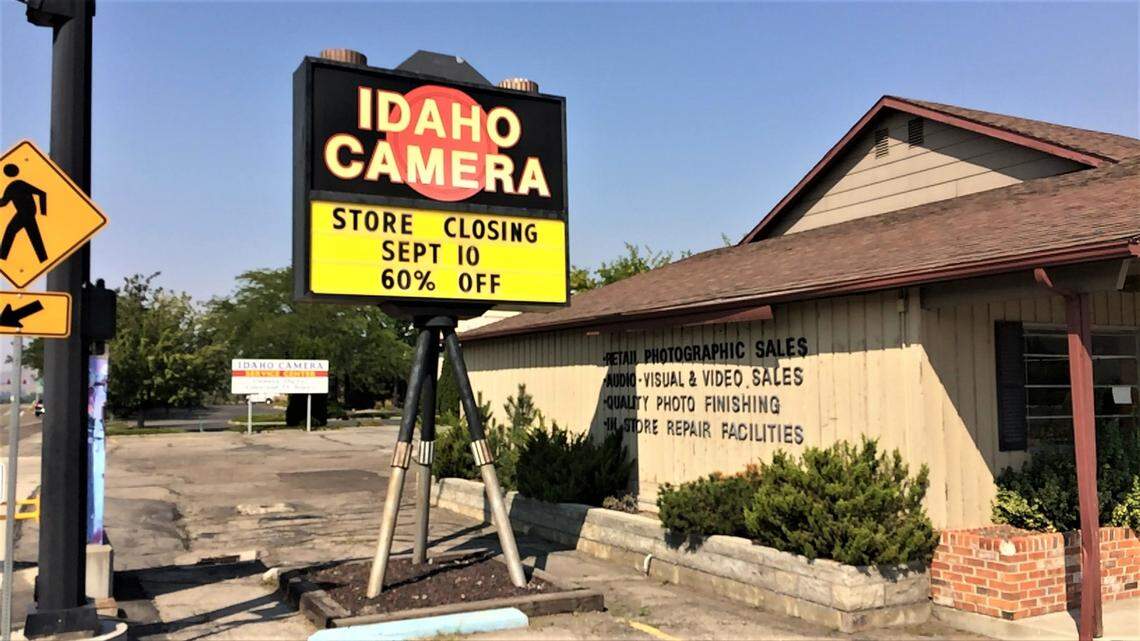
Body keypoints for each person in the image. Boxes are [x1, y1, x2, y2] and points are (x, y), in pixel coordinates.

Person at [0, 163, 48, 263]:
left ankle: (2, 256)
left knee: (11, 231)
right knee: (34, 236)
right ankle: (43, 259)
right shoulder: (11, 187)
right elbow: (4, 202)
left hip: (26, 213)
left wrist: (43, 212)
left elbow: (42, 193)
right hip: (25, 213)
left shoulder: (19, 184)